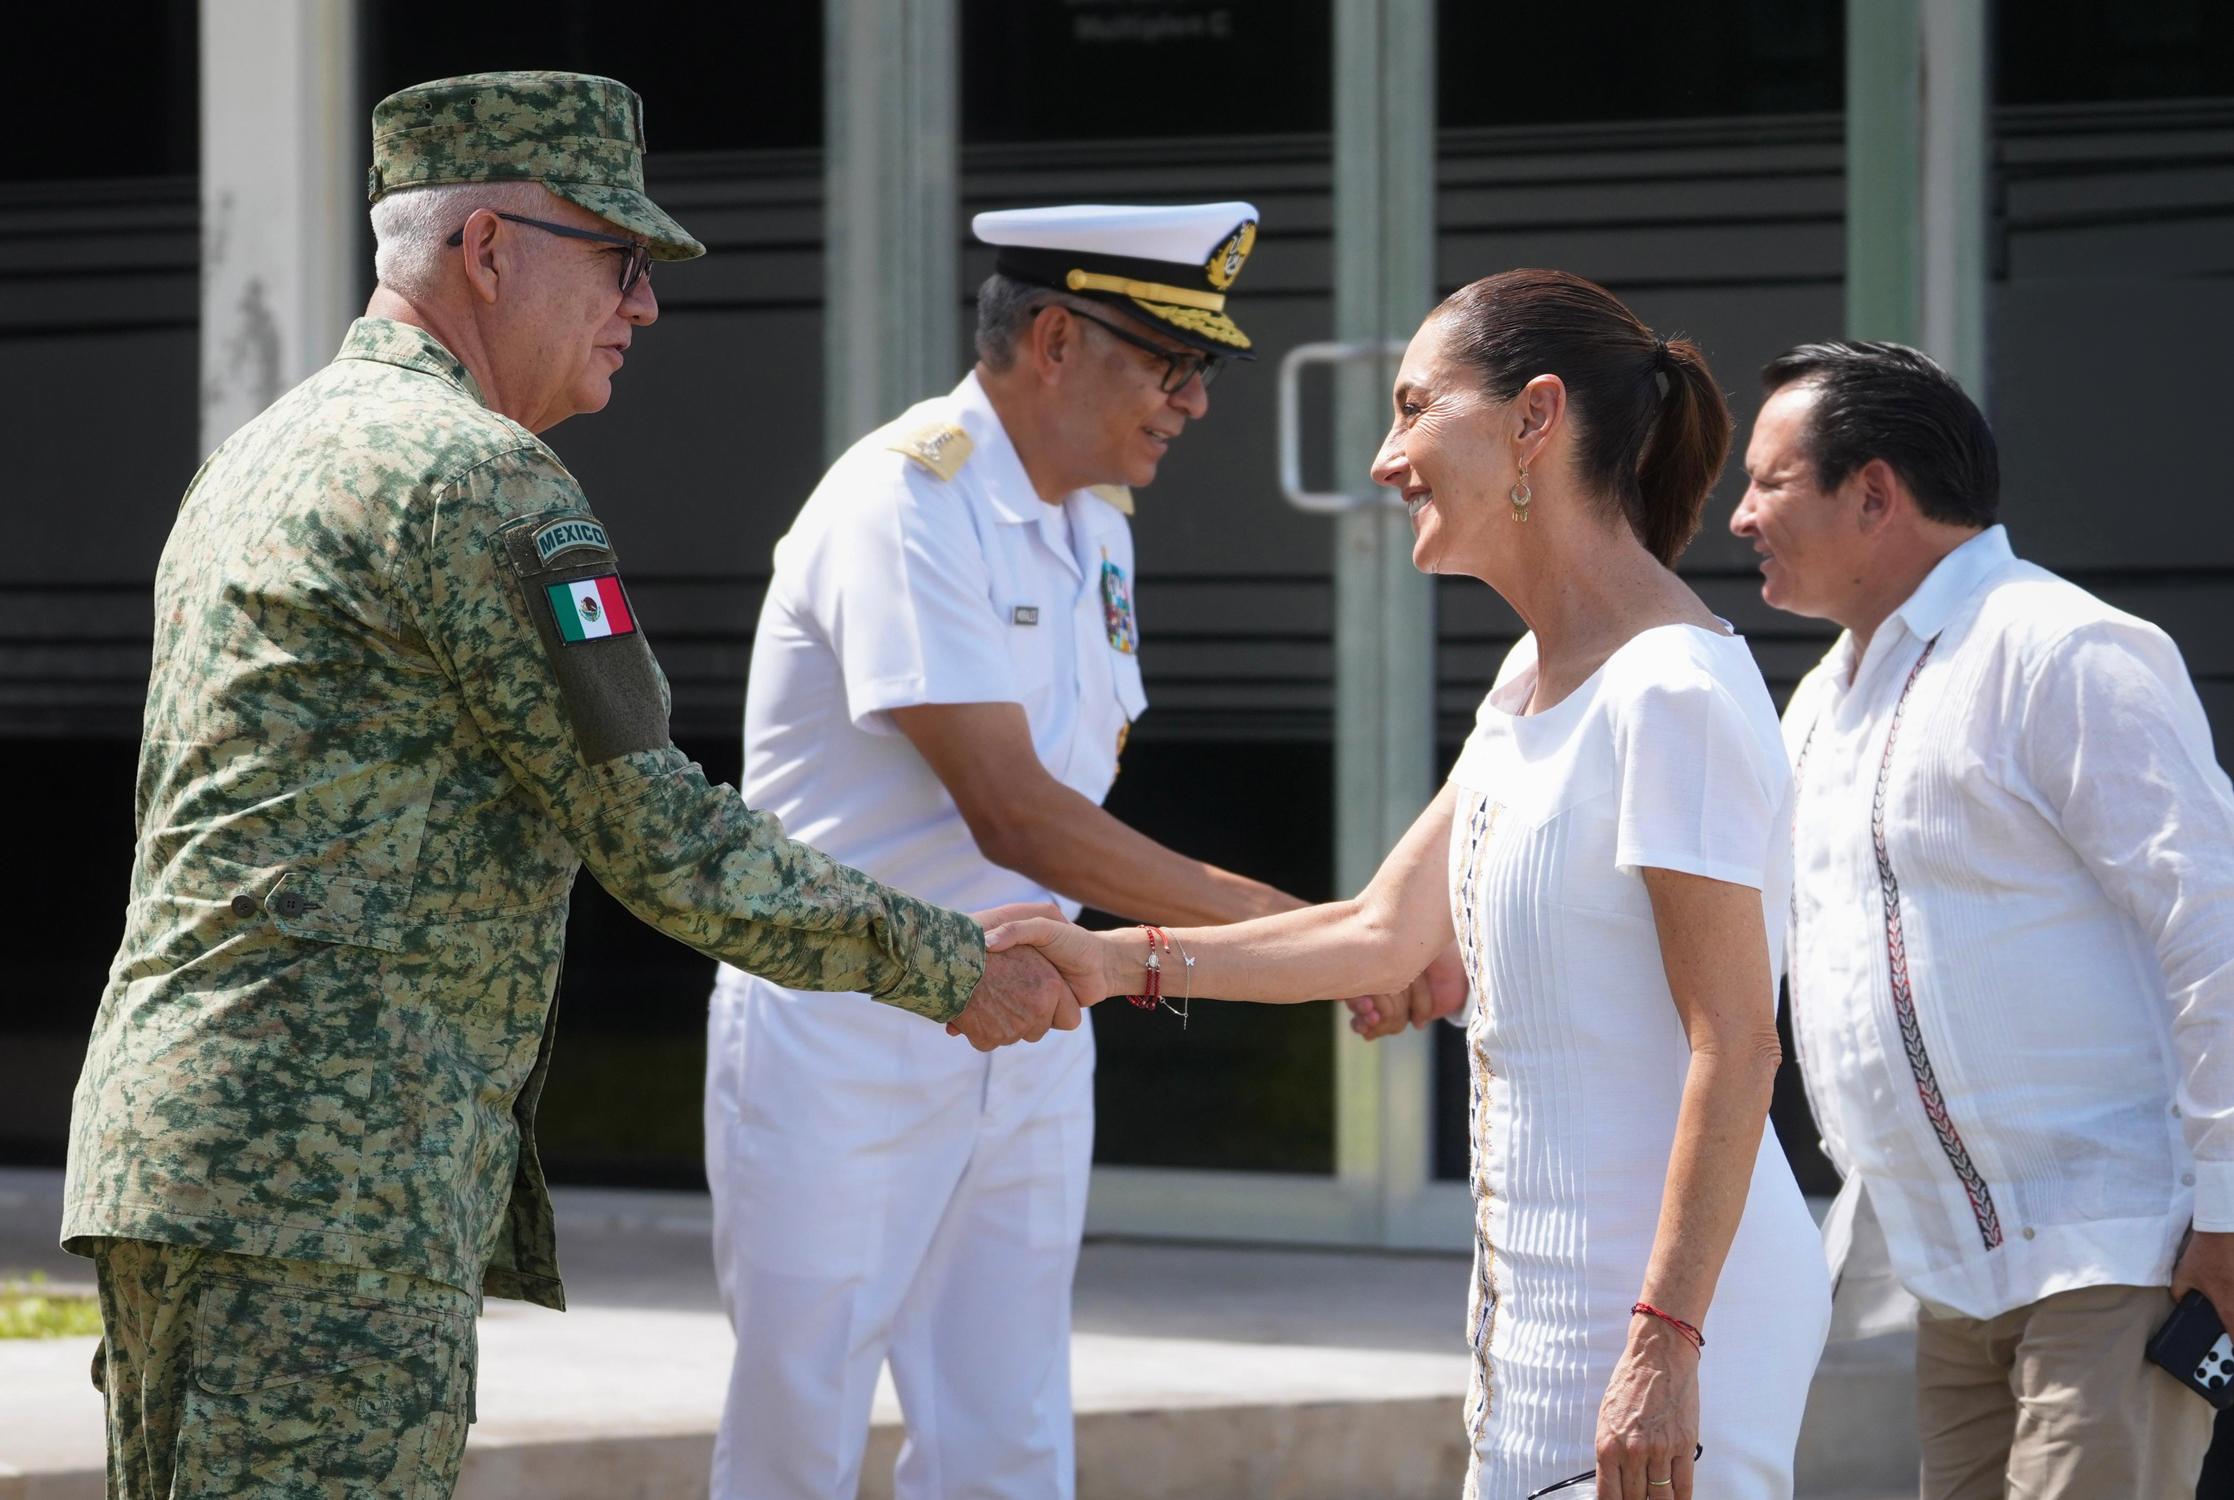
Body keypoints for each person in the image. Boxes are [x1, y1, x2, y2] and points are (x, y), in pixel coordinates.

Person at [63, 72, 1086, 1500]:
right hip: (330, 1188)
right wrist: (945, 963)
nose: (643, 305)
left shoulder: (260, 456)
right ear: (487, 250)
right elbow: (654, 828)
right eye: (616, 261)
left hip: (179, 1154)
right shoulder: (480, 482)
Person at [989, 269, 1832, 1500]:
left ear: (1534, 418)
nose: (1385, 460)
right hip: (1546, 1316)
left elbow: (1737, 1046)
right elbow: (1386, 934)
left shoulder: (1674, 693)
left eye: (1412, 408)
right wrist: (1119, 958)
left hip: (1672, 1323)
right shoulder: (1530, 680)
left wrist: (1662, 1345)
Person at [702, 201, 1446, 1500]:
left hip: (1032, 1019)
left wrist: (1314, 941)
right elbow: (1017, 813)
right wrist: (1313, 936)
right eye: (1170, 365)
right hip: (850, 1028)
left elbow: (1052, 816)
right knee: (796, 1430)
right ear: (1053, 338)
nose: (1193, 403)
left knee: (1008, 1427)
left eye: (1199, 370)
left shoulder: (1092, 520)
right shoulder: (903, 500)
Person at [1730, 340, 2234, 1500]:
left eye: (1767, 481)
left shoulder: (2063, 649)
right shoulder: (1826, 695)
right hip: (1952, 1271)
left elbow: (2220, 931)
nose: (1739, 516)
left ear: (1874, 494)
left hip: (2121, 1246)